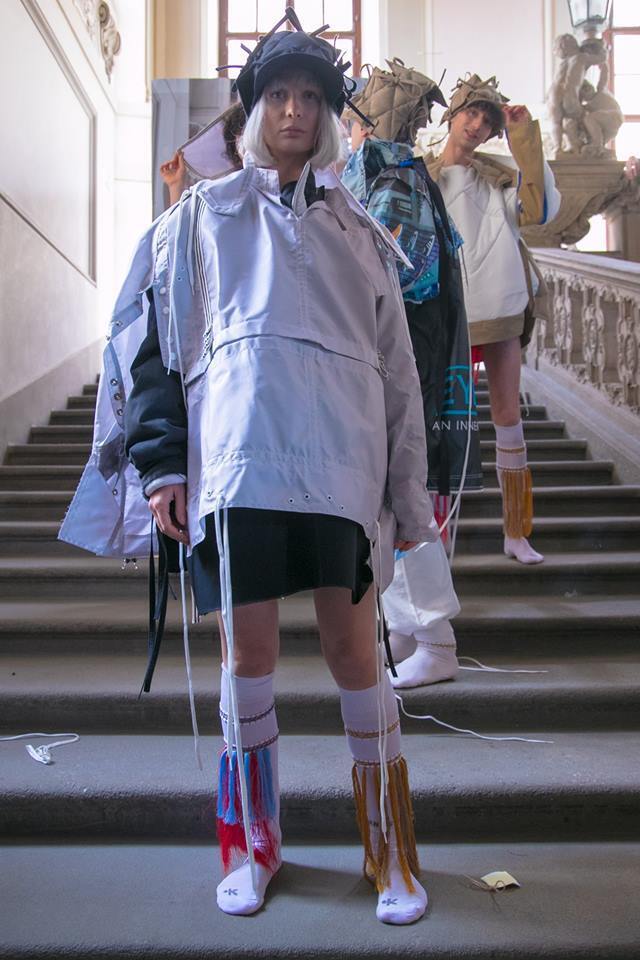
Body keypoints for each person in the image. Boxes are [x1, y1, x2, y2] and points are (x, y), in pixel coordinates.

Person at [59, 9, 436, 925]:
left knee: (356, 654)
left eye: (311, 96)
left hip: (342, 470)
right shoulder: (198, 220)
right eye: (280, 95)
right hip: (238, 467)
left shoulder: (362, 236)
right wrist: (163, 468)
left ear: (330, 115)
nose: (295, 110)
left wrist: (407, 495)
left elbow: (398, 371)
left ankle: (390, 852)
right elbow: (154, 351)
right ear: (255, 109)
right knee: (249, 655)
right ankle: (250, 844)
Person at [342, 62, 482, 688]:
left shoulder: (392, 179)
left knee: (402, 496)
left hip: (399, 363)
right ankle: (405, 626)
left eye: (351, 121)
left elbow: (399, 277)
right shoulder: (396, 175)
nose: (345, 132)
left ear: (371, 124)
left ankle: (435, 638)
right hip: (401, 358)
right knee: (389, 496)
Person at [425, 74, 561, 564]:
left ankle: (516, 532)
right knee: (442, 422)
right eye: (471, 113)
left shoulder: (499, 177)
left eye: (487, 120)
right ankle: (435, 534)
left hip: (500, 304)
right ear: (452, 115)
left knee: (508, 417)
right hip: (444, 310)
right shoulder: (422, 174)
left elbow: (539, 209)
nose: (477, 124)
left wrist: (523, 137)